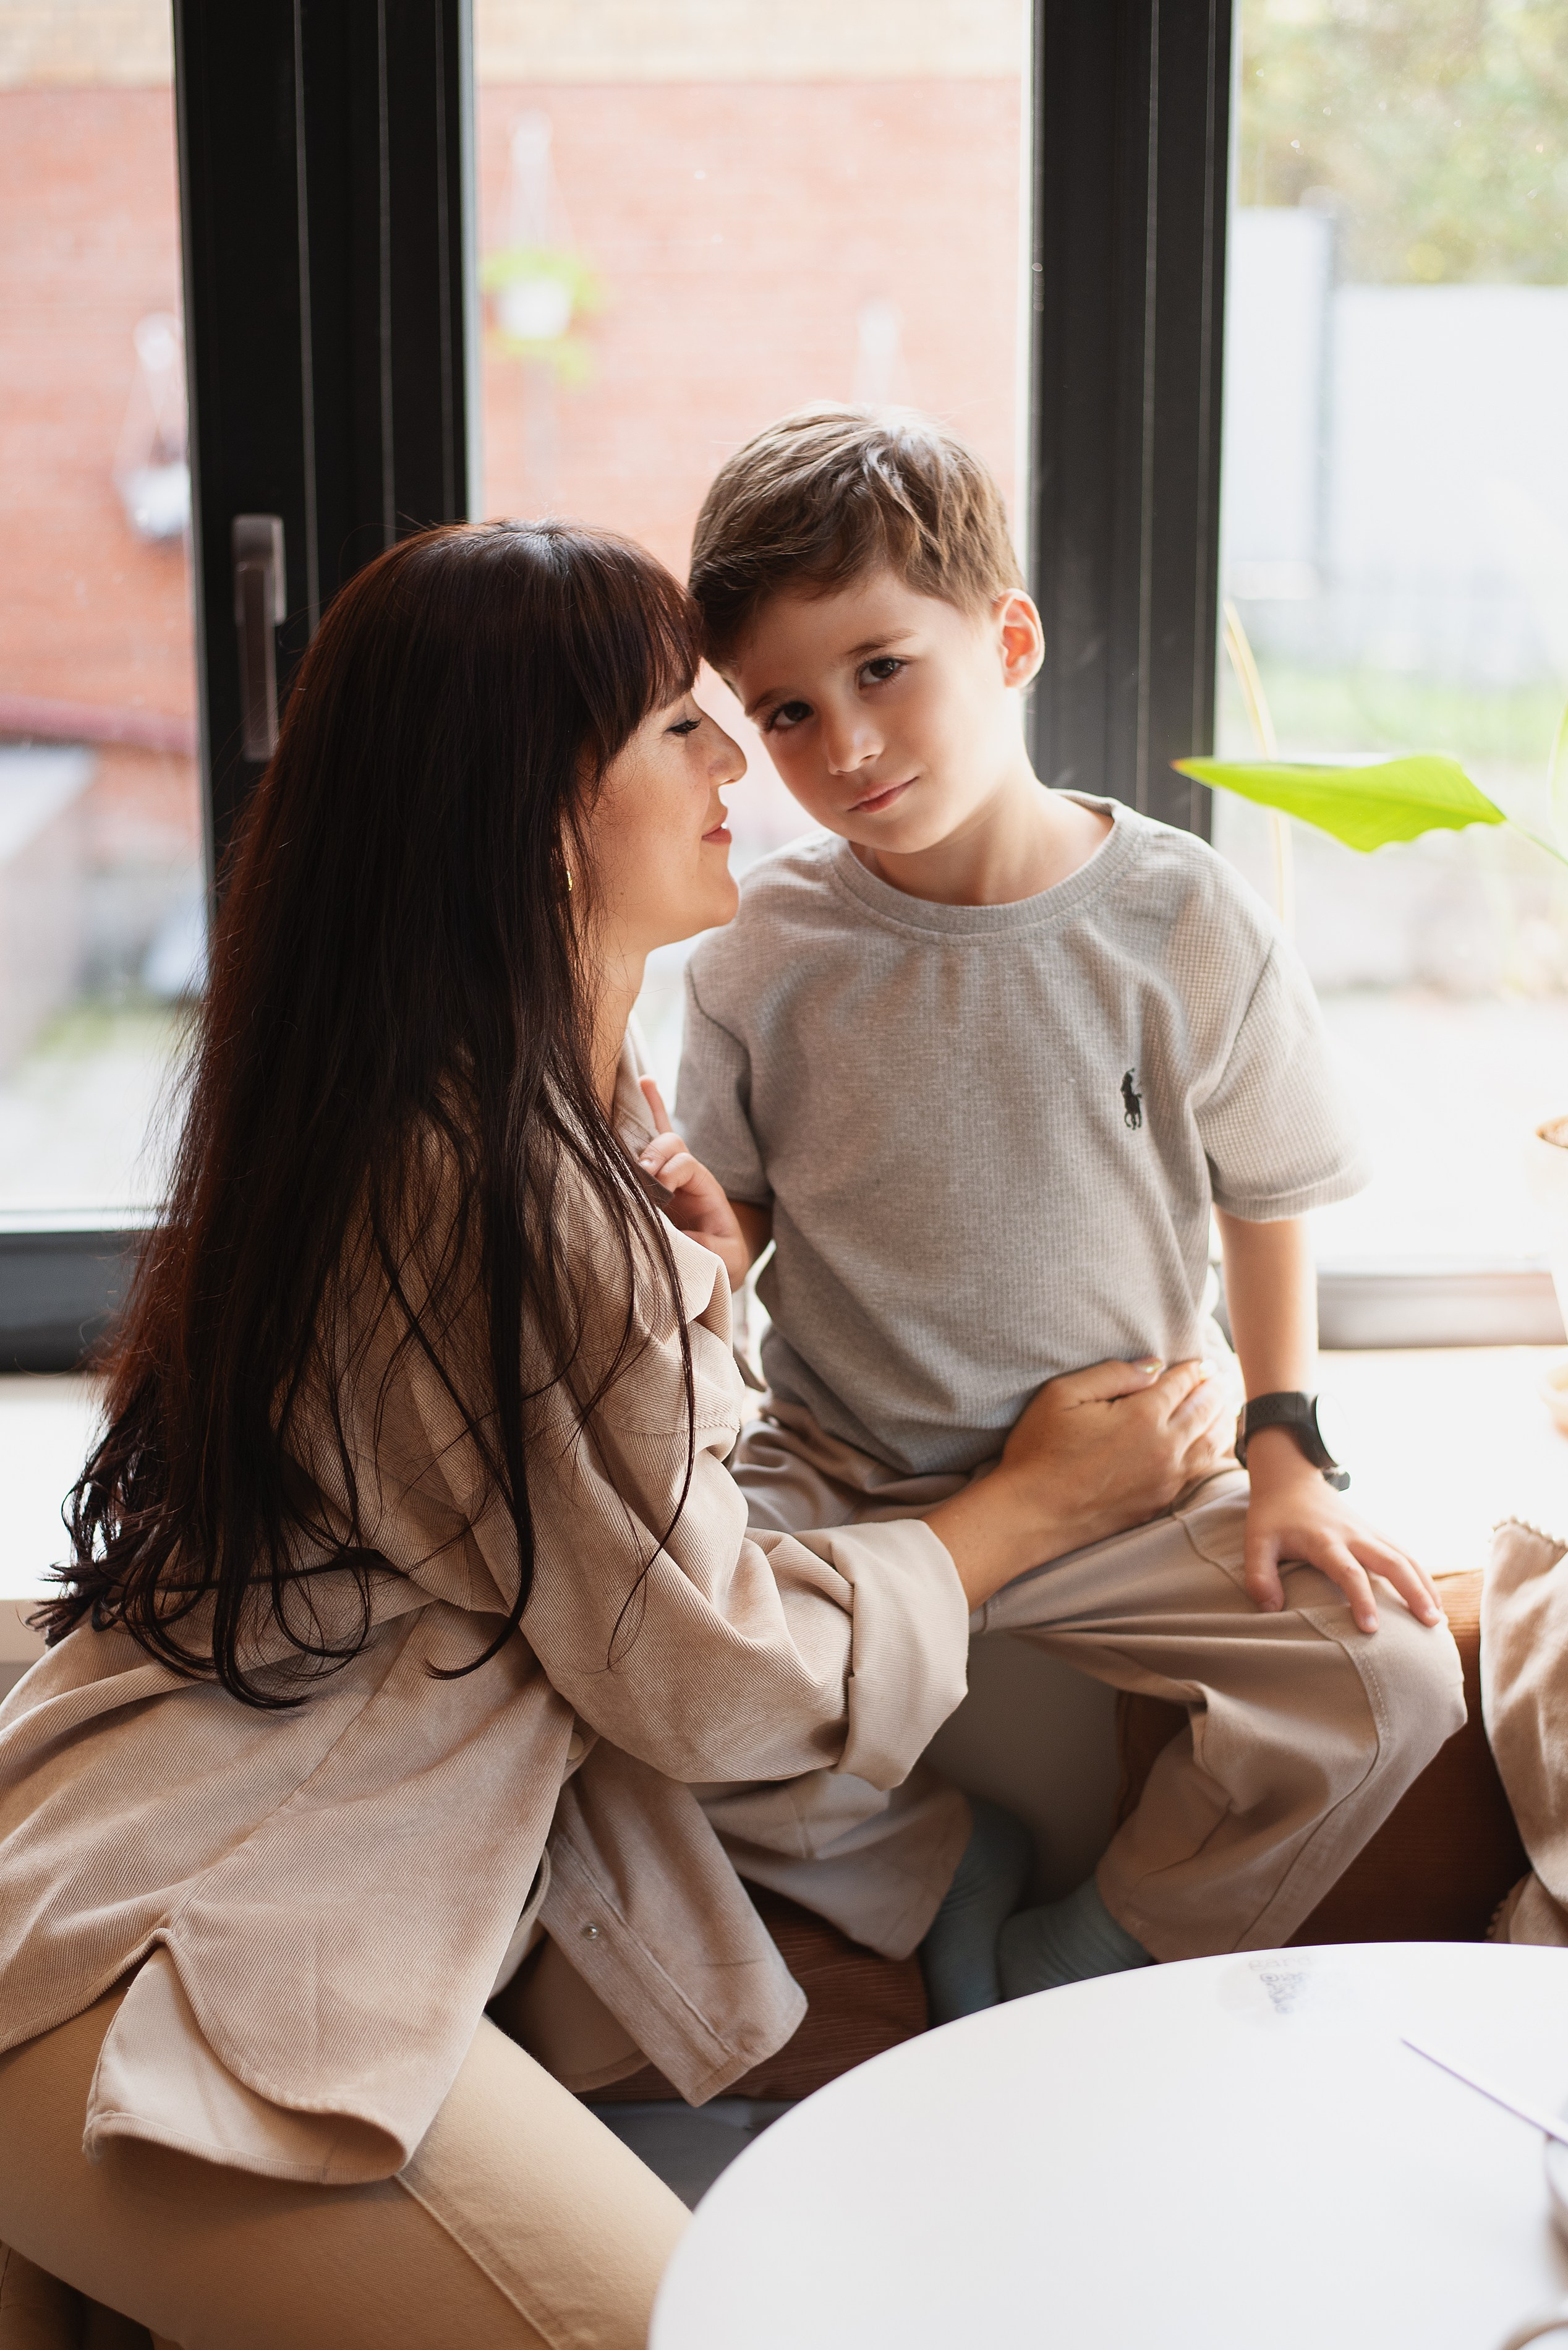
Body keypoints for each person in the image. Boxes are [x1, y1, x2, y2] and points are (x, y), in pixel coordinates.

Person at [0, 520, 1234, 2350]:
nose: (739, 758)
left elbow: (556, 1489)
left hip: (168, 1864)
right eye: (679, 724)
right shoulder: (493, 1181)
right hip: (186, 1949)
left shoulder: (485, 1113)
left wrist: (696, 1291)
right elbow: (700, 1671)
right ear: (527, 805)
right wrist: (1026, 1507)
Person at [639, 404, 1466, 2001]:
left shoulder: (1180, 915)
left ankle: (1093, 1946)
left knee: (1393, 1682)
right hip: (844, 1472)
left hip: (1136, 1474)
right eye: (787, 711)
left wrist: (1283, 1445)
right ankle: (934, 1863)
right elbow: (729, 1236)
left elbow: (1271, 1194)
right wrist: (704, 1246)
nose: (846, 747)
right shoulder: (761, 945)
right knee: (635, 1670)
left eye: (884, 670)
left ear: (1007, 641)